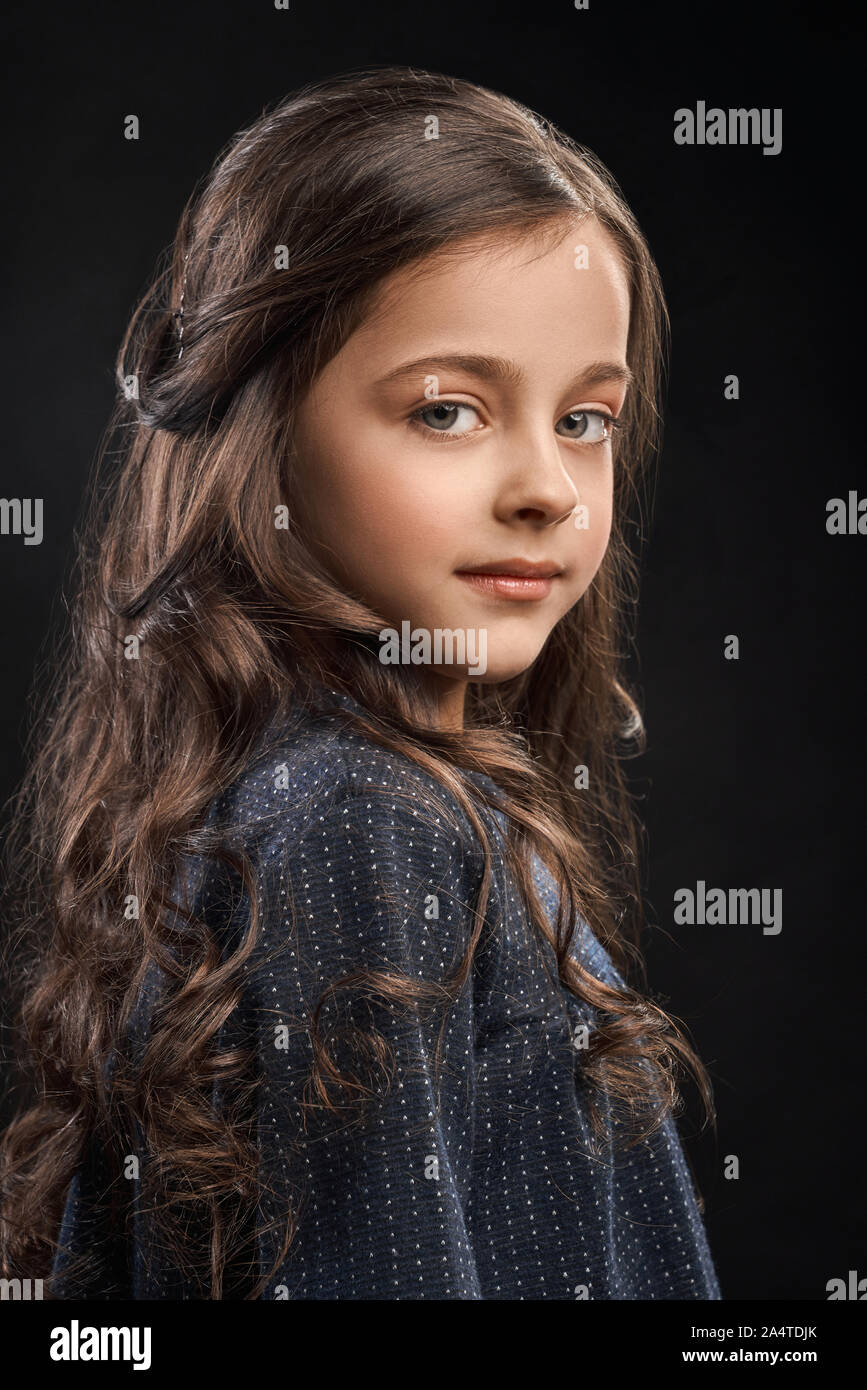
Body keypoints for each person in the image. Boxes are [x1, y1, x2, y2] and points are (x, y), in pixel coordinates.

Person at [0, 65, 721, 1300]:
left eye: (587, 419)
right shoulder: (361, 822)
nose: (546, 485)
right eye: (447, 411)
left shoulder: (383, 802)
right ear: (267, 431)